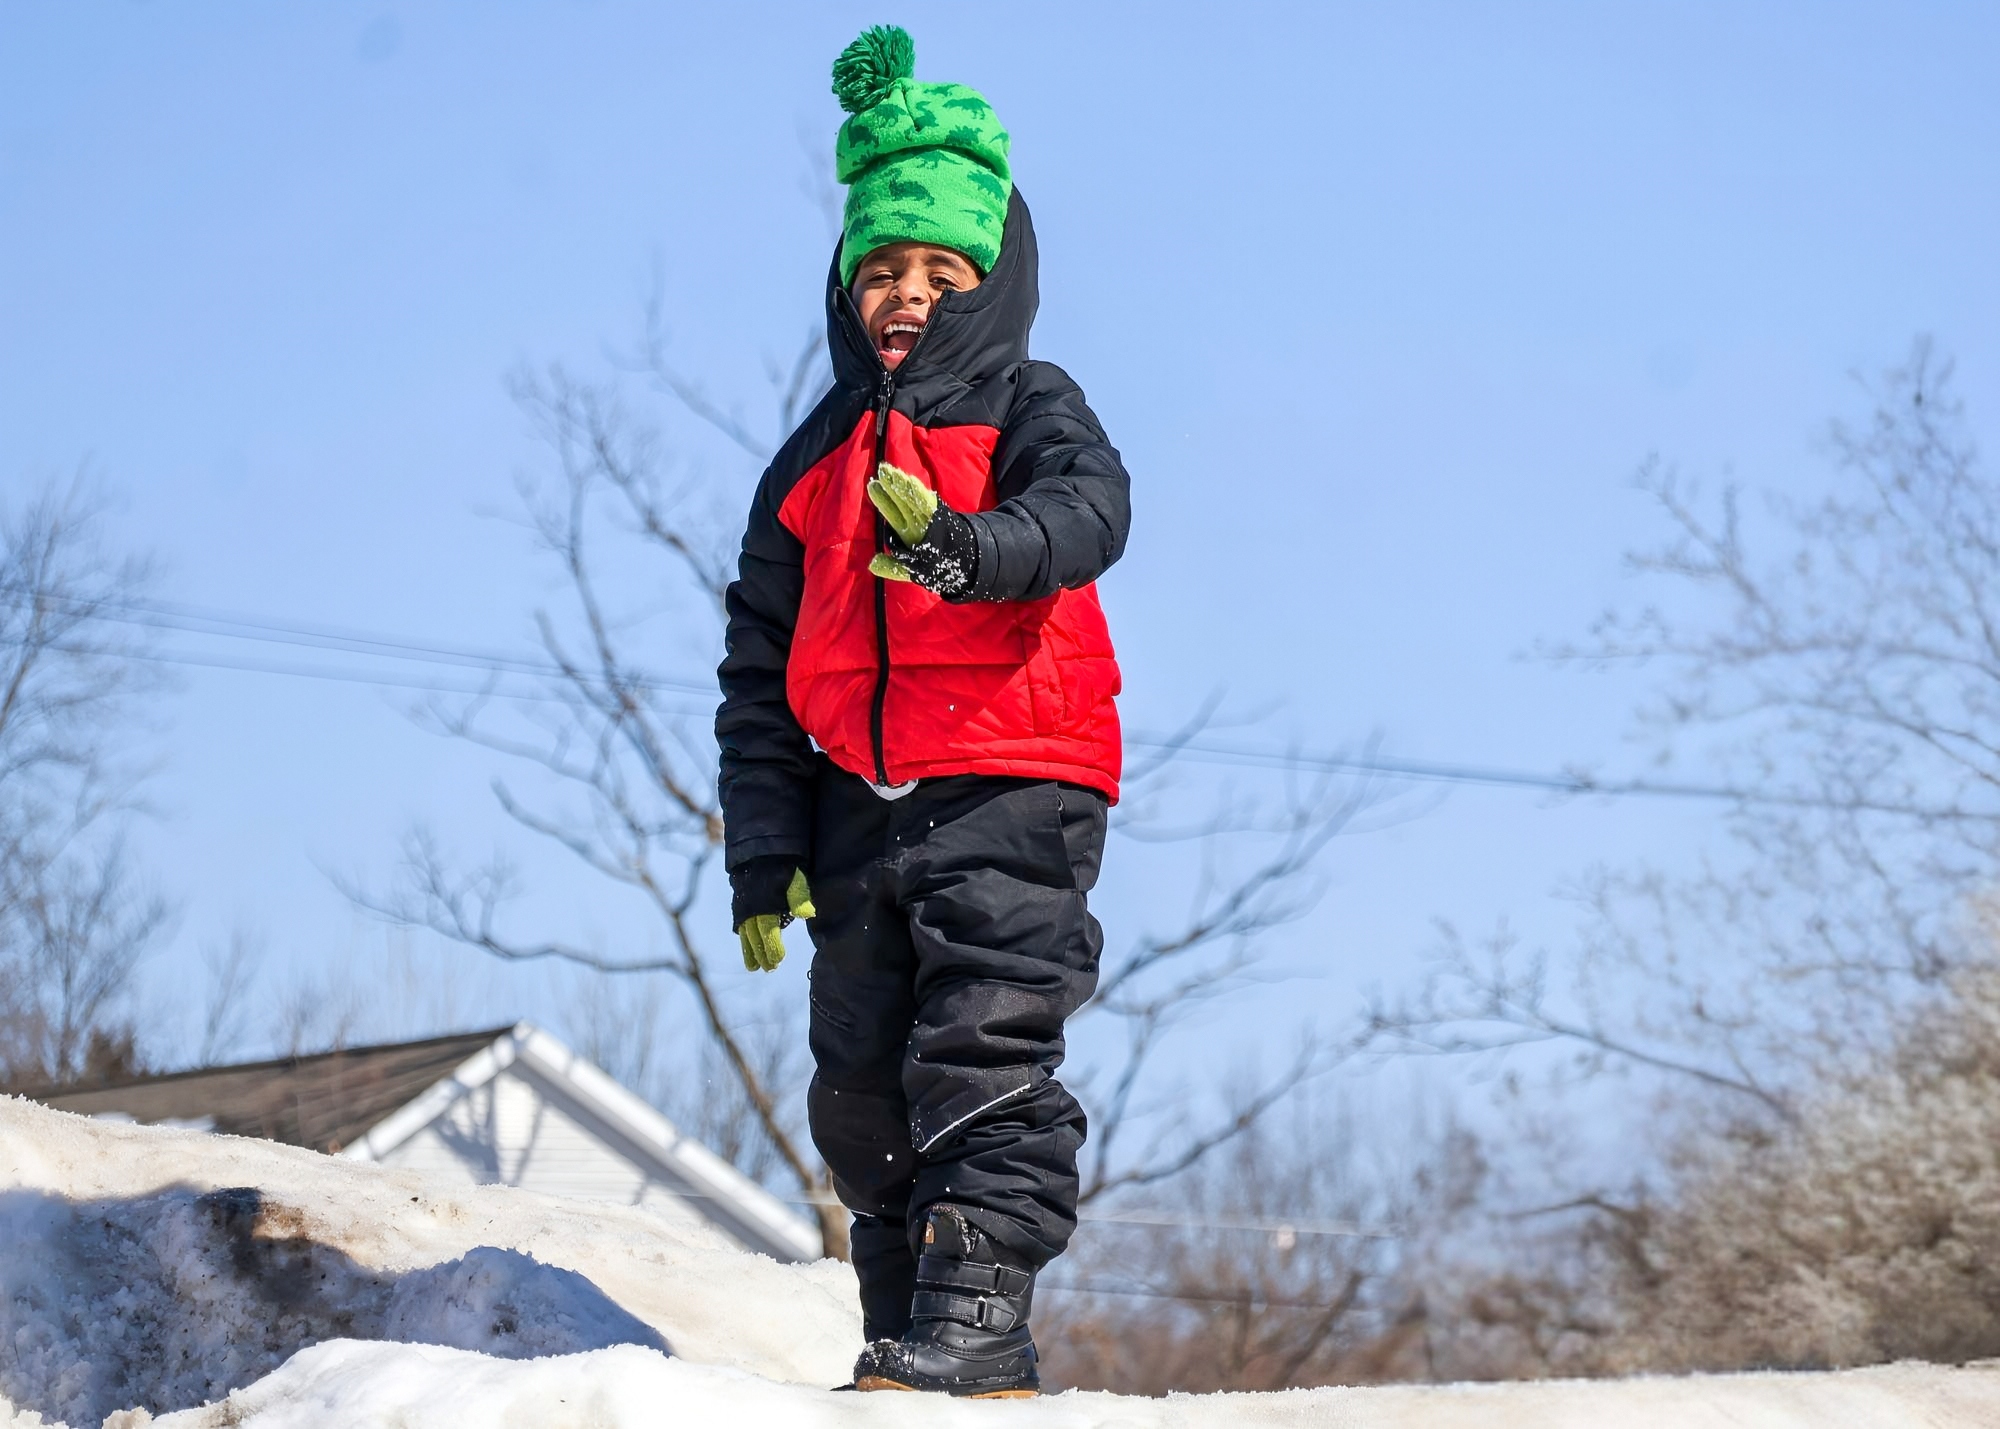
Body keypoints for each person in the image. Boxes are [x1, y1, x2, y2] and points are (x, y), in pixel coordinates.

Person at [714, 24, 1130, 1398]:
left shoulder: (1028, 402)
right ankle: (908, 1328)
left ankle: (978, 1313)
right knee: (859, 1085)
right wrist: (762, 849)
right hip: (858, 807)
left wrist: (967, 544)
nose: (904, 292)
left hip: (1015, 772)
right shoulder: (813, 458)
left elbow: (1088, 515)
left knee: (983, 1045)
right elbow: (759, 669)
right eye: (879, 268)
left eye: (938, 269)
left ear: (990, 278)